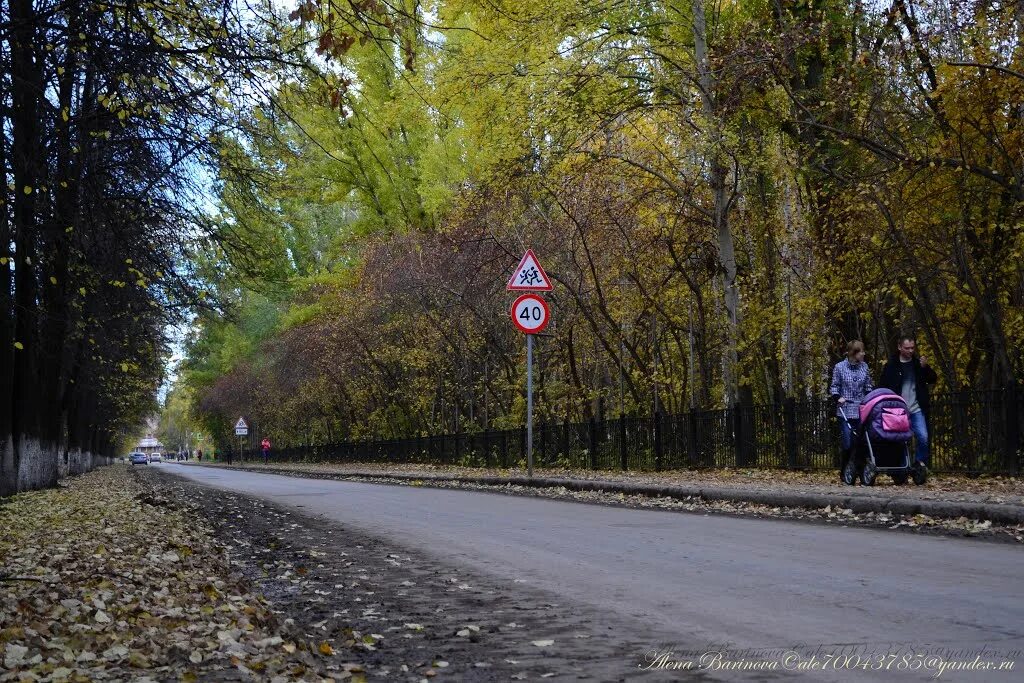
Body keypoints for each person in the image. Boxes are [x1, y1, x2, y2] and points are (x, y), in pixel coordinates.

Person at [880, 335, 937, 471]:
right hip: (898, 411)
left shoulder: (918, 365)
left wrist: (925, 368)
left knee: (923, 437)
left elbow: (932, 379)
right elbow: (883, 386)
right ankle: (901, 468)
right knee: (899, 441)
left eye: (912, 348)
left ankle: (919, 465)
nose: (910, 351)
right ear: (899, 347)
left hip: (916, 408)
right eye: (907, 348)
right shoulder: (892, 365)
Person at [830, 340, 873, 484]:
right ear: (853, 353)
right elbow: (834, 386)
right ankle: (845, 469)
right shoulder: (839, 367)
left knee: (861, 443)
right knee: (848, 443)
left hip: (861, 410)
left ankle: (860, 470)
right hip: (845, 409)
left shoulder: (864, 367)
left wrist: (870, 398)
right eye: (861, 351)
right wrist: (838, 397)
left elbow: (868, 386)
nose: (863, 354)